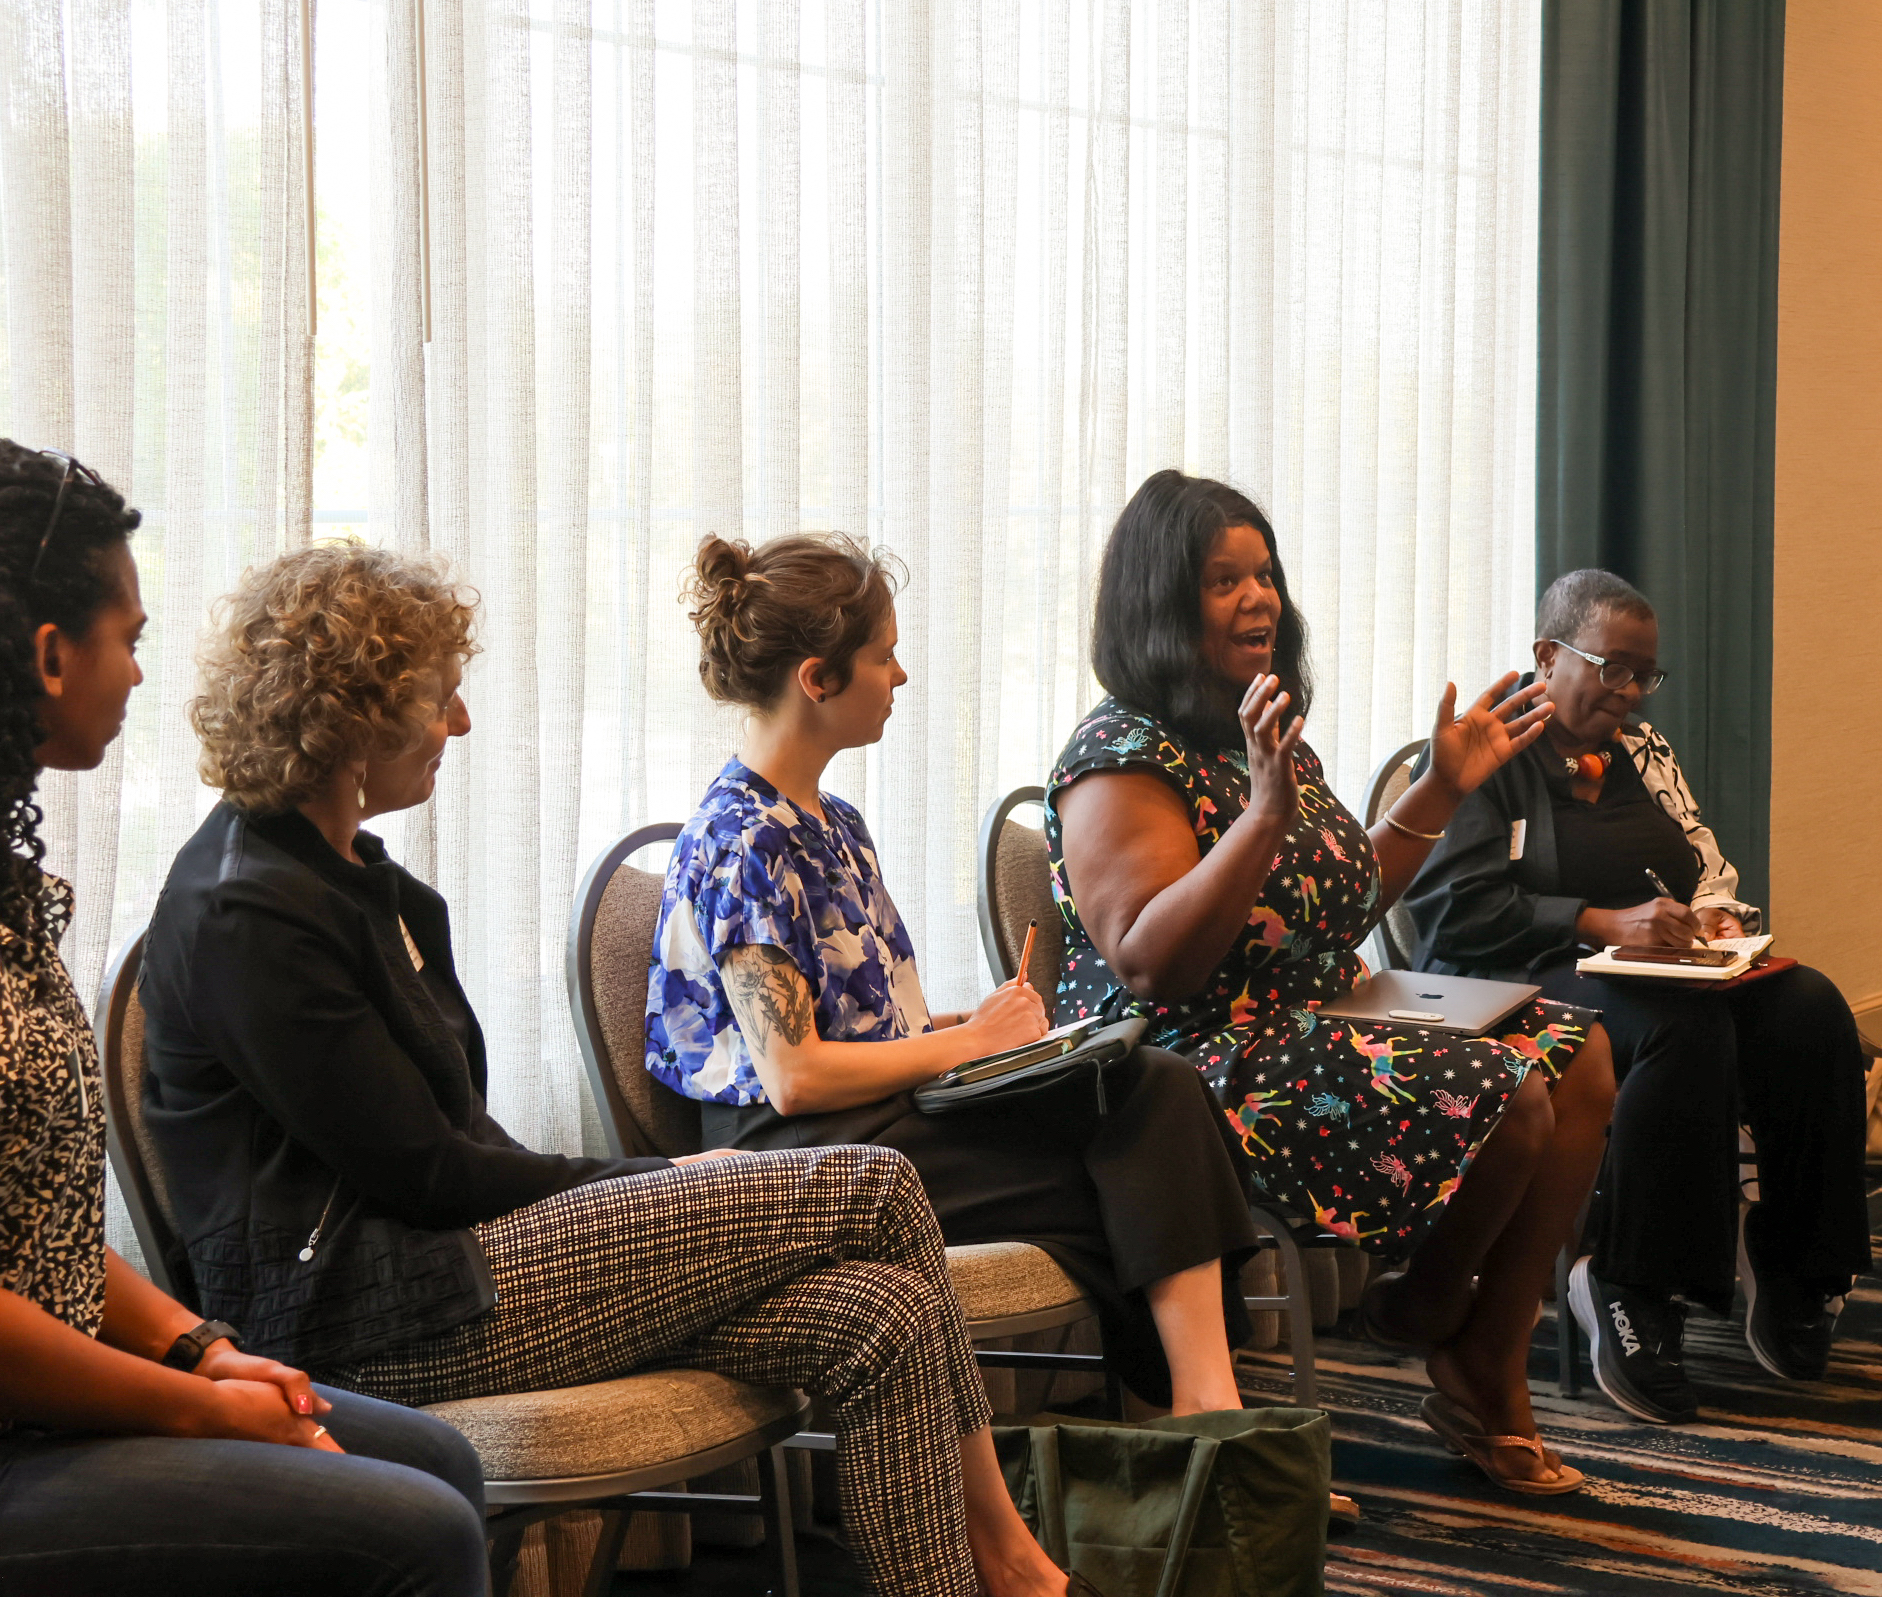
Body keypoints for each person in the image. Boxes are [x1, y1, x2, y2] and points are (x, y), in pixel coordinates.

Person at [139, 541, 1092, 1597]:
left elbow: (455, 1142)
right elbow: (425, 1175)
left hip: (445, 1265)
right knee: (874, 1181)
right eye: (441, 698)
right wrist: (649, 1182)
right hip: (369, 1320)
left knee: (883, 1314)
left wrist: (634, 1188)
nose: (458, 724)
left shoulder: (352, 876)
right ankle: (1019, 1570)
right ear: (356, 710)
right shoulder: (247, 909)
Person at [1046, 470, 1618, 1495]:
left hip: (1307, 1015)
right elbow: (1145, 957)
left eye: (1263, 573)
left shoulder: (1254, 727)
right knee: (1511, 1094)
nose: (1259, 597)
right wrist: (1260, 819)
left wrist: (1440, 789)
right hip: (1186, 1069)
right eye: (1224, 581)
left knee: (1578, 1056)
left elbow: (1334, 907)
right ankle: (1425, 1313)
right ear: (1161, 604)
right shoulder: (1117, 753)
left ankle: (1480, 1356)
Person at [0, 442, 488, 1597]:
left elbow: (42, 1232)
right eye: (129, 638)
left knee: (438, 1460)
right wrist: (195, 1403)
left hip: (55, 1388)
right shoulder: (241, 898)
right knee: (418, 1530)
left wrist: (200, 1343)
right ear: (48, 654)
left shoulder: (15, 887)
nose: (135, 674)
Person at [648, 532, 1261, 1420]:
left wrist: (972, 1032)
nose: (899, 676)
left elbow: (869, 1033)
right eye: (883, 656)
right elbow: (794, 1074)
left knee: (1151, 1082)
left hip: (881, 1119)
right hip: (791, 1157)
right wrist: (970, 1046)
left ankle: (1206, 1411)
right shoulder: (744, 839)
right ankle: (1207, 1421)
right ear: (818, 678)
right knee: (1133, 1155)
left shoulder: (835, 821)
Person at [1403, 568, 1870, 1424]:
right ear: (1549, 655)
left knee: (1811, 1008)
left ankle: (1797, 1261)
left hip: (1652, 972)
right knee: (1679, 1031)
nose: (1629, 692)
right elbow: (1451, 914)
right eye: (1612, 667)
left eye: (1643, 674)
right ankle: (1628, 1281)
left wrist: (1717, 921)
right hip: (1520, 976)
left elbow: (1706, 870)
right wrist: (1600, 919)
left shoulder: (1643, 755)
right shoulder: (1487, 755)